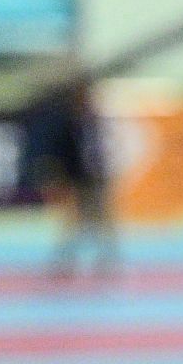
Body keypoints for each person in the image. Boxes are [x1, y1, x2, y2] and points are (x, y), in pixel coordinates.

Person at [34, 84, 120, 278]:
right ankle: (65, 262)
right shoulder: (66, 124)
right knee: (73, 223)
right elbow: (58, 154)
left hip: (94, 179)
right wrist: (59, 180)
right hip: (75, 180)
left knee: (102, 221)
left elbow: (100, 152)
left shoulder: (93, 123)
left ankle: (107, 261)